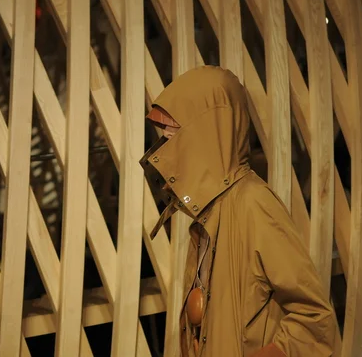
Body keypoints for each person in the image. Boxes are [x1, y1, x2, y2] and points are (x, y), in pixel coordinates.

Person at [139, 66, 336, 356]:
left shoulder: (253, 204)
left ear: (206, 131)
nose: (165, 141)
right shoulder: (208, 212)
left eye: (174, 131)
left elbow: (314, 319)